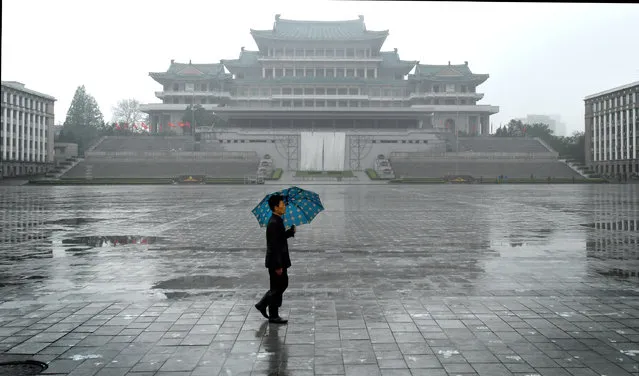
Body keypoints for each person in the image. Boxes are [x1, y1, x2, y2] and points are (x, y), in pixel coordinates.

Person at [255, 194, 295, 324]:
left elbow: (279, 238)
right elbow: (273, 245)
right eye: (282, 205)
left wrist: (290, 232)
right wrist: (278, 265)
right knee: (279, 286)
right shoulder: (273, 222)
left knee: (278, 286)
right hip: (276, 262)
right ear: (276, 207)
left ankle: (271, 312)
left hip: (279, 260)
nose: (284, 207)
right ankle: (265, 306)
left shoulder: (277, 220)